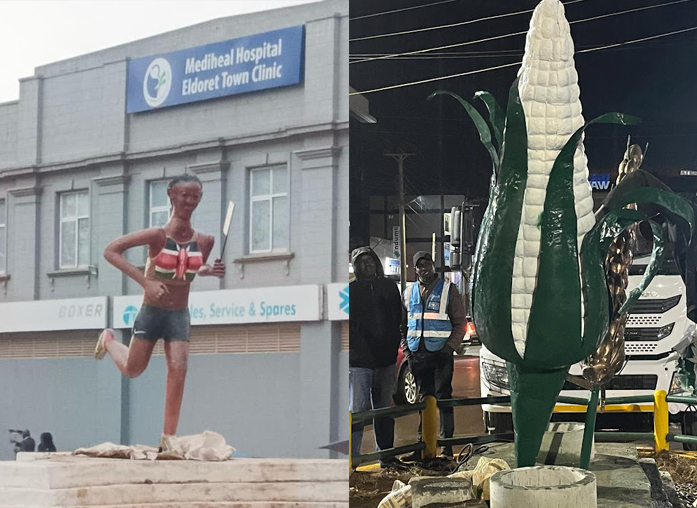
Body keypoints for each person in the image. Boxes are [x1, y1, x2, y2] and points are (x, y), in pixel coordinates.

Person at [95, 174, 225, 450]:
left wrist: (208, 271)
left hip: (179, 314)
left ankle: (168, 438)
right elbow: (110, 251)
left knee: (179, 369)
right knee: (133, 369)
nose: (190, 201)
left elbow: (188, 268)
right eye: (185, 195)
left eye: (196, 196)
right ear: (172, 195)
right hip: (152, 312)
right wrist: (146, 283)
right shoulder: (157, 236)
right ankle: (108, 341)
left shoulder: (205, 240)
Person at [401, 251, 466, 460]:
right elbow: (402, 325)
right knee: (423, 401)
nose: (424, 268)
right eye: (419, 265)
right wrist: (407, 350)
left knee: (443, 399)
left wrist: (448, 349)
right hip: (417, 354)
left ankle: (446, 448)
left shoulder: (448, 290)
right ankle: (424, 448)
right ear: (415, 268)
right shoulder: (408, 291)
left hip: (440, 355)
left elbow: (460, 323)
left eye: (427, 263)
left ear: (433, 265)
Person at [349, 247, 404, 468]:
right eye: (362, 262)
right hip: (359, 363)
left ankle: (387, 457)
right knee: (357, 412)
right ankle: (351, 459)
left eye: (370, 260)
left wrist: (393, 345)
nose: (367, 265)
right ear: (356, 267)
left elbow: (399, 317)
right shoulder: (348, 291)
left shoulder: (389, 287)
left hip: (385, 360)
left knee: (384, 411)